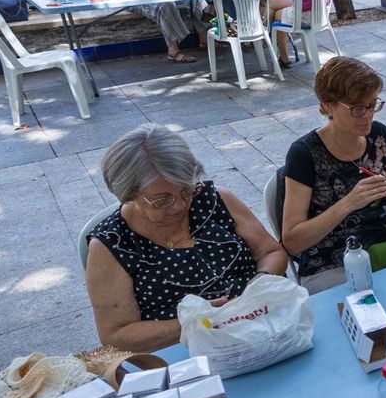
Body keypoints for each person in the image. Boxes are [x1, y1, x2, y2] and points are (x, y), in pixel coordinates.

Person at [86, 125, 286, 350]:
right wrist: (198, 321)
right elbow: (116, 335)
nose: (180, 205)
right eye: (162, 200)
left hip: (262, 326)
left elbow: (271, 251)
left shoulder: (215, 200)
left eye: (186, 190)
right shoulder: (112, 245)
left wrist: (259, 284)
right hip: (183, 351)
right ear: (129, 195)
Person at [280, 58, 386, 292]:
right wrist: (348, 203)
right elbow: (292, 241)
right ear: (327, 105)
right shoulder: (304, 153)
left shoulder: (379, 135)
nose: (368, 115)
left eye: (373, 105)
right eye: (357, 108)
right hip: (332, 261)